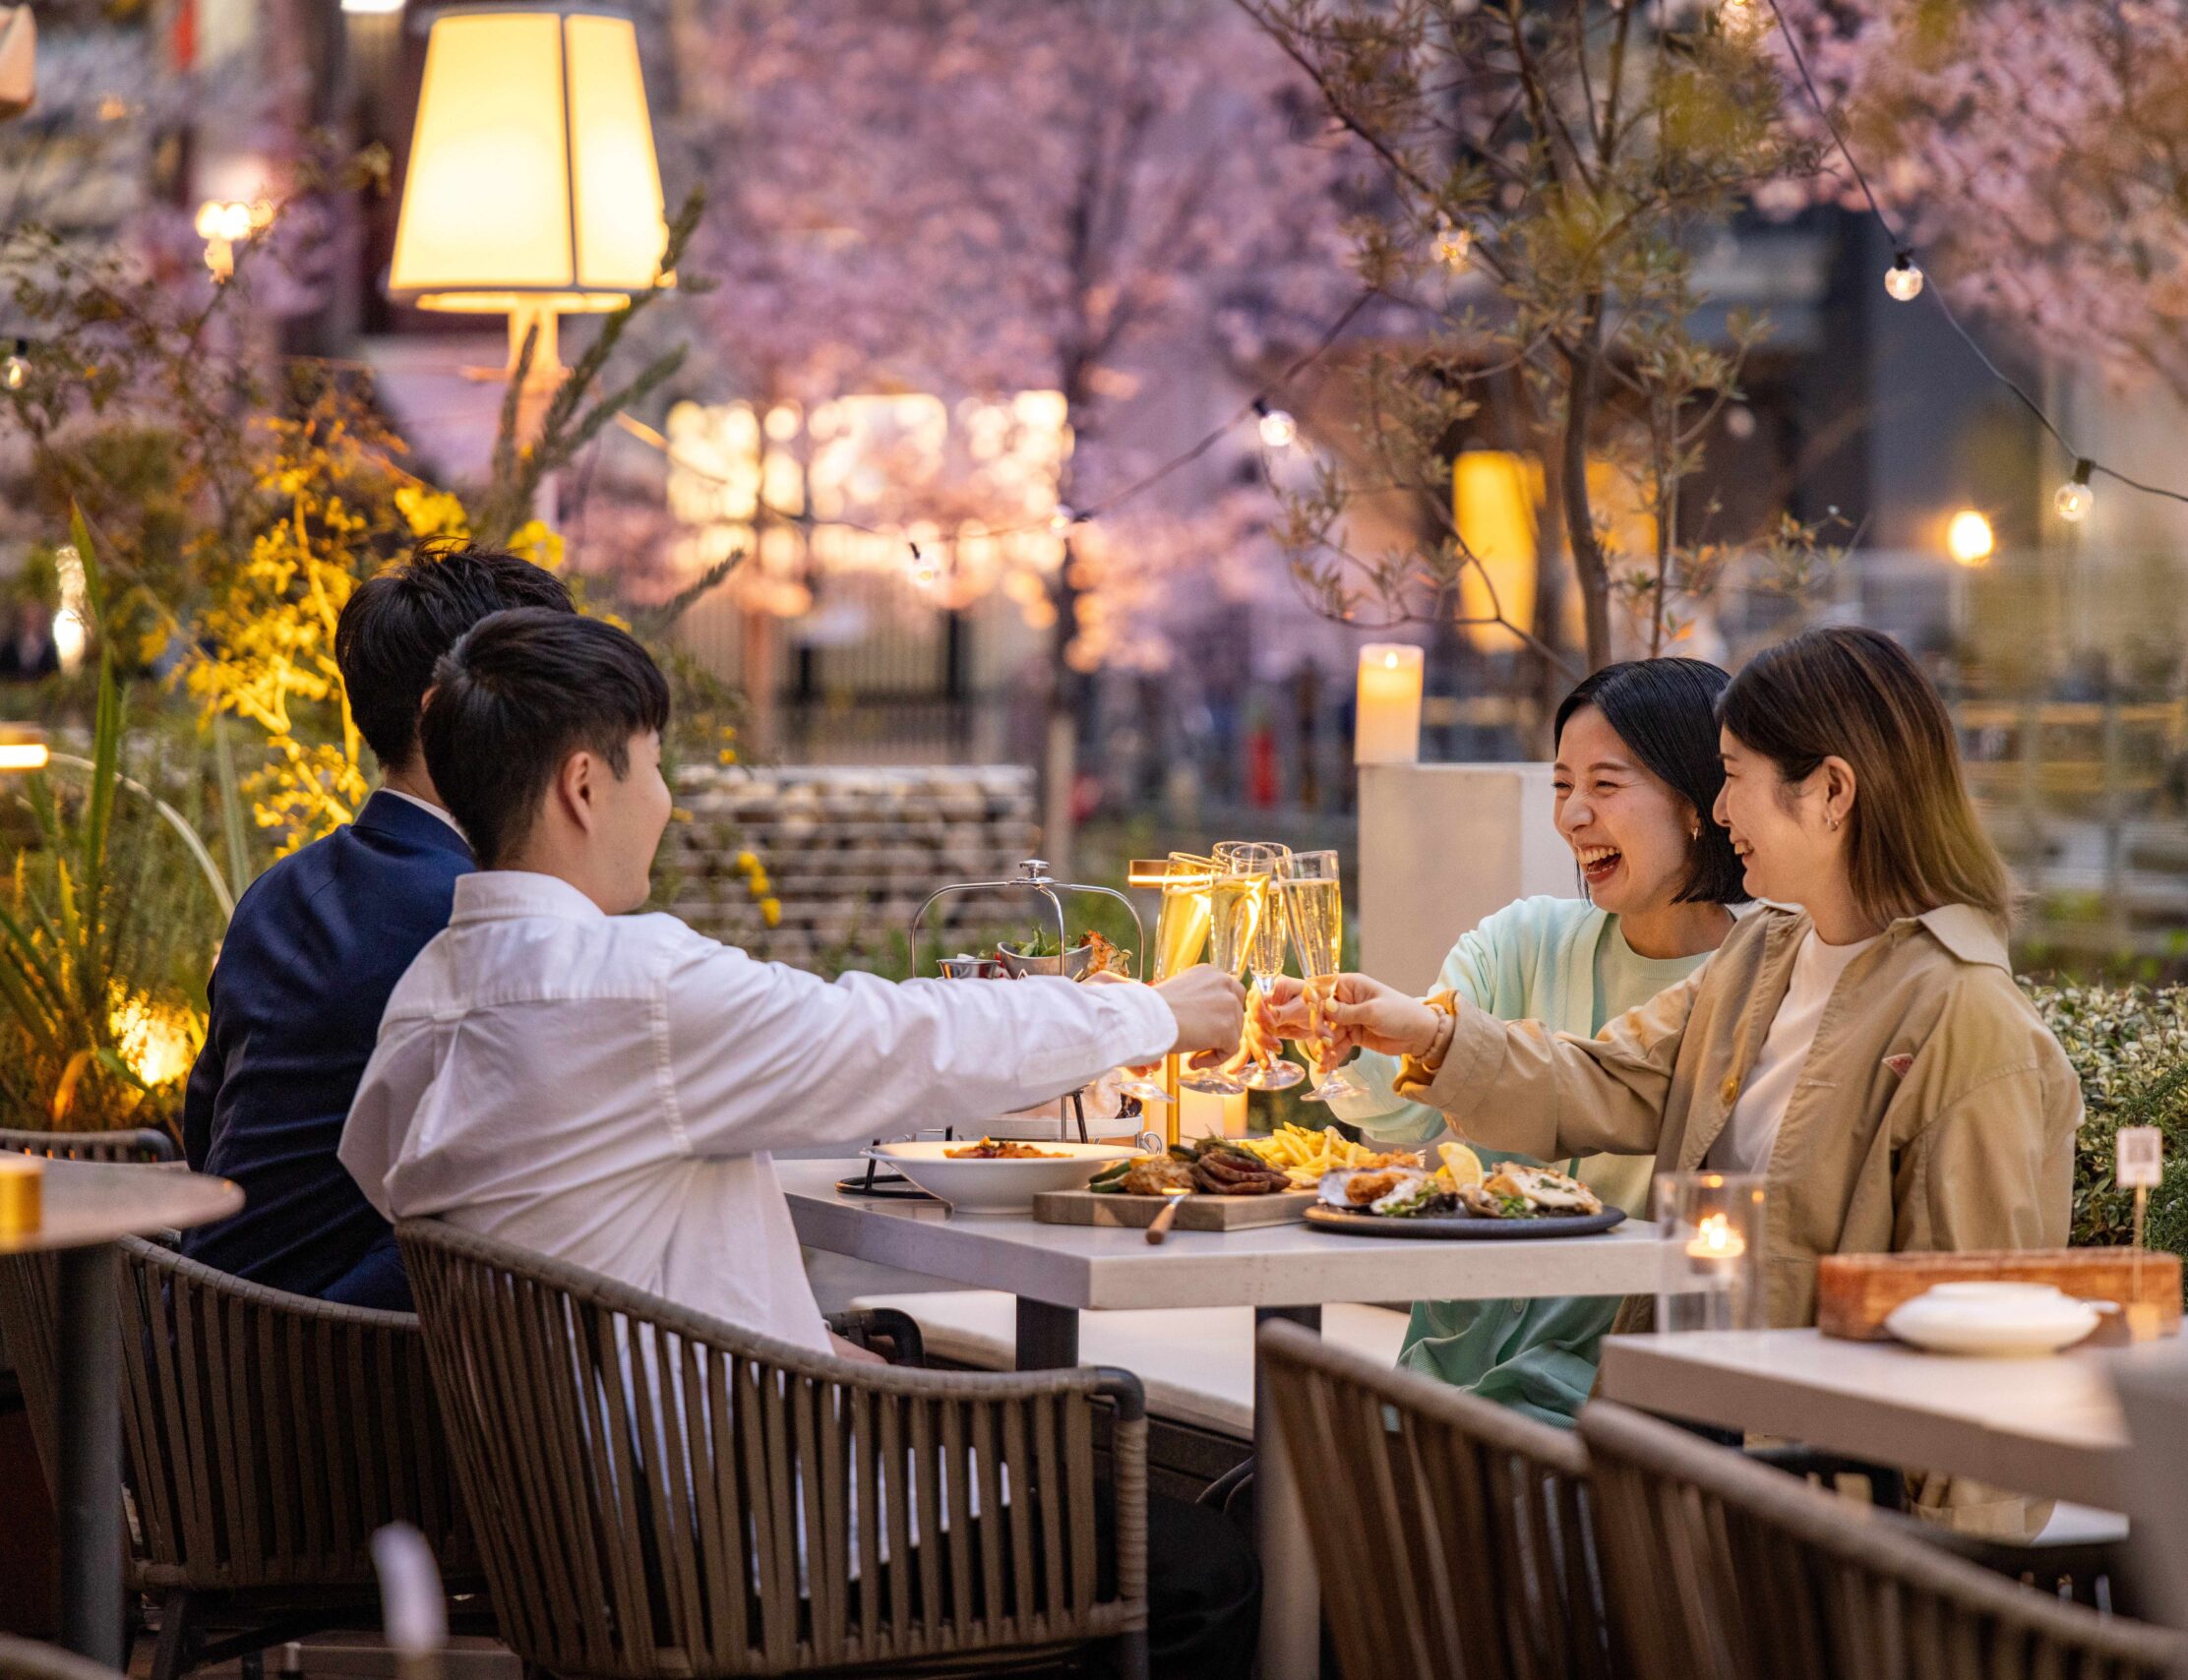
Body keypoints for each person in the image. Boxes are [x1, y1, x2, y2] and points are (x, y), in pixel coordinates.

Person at [338, 610, 1262, 1673]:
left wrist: (793, 1338)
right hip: (770, 1545)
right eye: (653, 763)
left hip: (594, 1541)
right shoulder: (631, 991)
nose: (666, 799)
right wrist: (1153, 1012)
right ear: (584, 786)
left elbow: (494, 1209)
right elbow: (899, 1036)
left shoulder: (427, 999)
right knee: (1198, 1569)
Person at [1321, 625, 2079, 1349]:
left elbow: (1974, 1329)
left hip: (1807, 1466)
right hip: (1689, 1421)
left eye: (1735, 778)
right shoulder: (1761, 958)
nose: (1718, 810)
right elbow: (1609, 1080)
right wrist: (1427, 1036)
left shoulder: (1968, 1018)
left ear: (1831, 793)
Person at [1321, 658, 1742, 1426]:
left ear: (1697, 803)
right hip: (1442, 1379)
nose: (1572, 816)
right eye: (1561, 786)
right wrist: (1344, 1041)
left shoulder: (1754, 988)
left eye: (1605, 786)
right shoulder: (1524, 940)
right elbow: (1401, 1117)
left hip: (1610, 1411)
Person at [180, 541, 576, 1308]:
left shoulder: (277, 890)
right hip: (350, 1387)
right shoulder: (478, 919)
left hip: (200, 1369)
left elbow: (209, 1133)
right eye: (543, 698)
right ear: (446, 712)